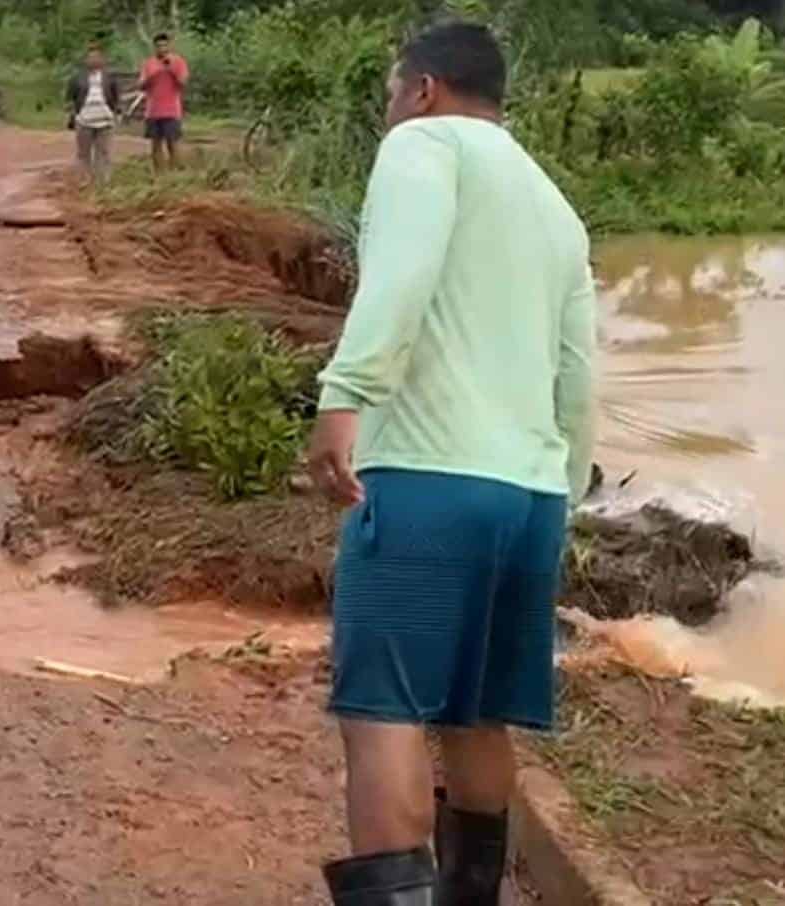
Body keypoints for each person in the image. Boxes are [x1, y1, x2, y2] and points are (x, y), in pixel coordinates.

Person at [309, 22, 595, 906]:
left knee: (383, 710)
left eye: (396, 92)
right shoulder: (554, 203)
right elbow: (578, 372)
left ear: (424, 87)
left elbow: (402, 273)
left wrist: (343, 393)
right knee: (476, 714)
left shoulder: (420, 146)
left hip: (429, 481)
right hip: (530, 497)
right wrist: (564, 484)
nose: (393, 110)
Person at [67, 42, 120, 187]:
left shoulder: (109, 78)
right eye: (90, 57)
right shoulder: (77, 78)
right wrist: (74, 115)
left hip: (105, 119)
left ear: (102, 59)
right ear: (85, 60)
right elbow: (71, 98)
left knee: (104, 153)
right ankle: (84, 180)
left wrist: (115, 114)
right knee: (84, 153)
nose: (93, 60)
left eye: (97, 57)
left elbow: (115, 97)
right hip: (84, 119)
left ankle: (103, 182)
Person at [139, 32, 188, 172]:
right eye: (159, 46)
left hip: (172, 110)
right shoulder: (148, 63)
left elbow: (183, 83)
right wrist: (152, 76)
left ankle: (174, 172)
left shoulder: (178, 62)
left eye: (164, 45)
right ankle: (159, 174)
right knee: (155, 144)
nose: (161, 48)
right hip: (153, 111)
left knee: (173, 143)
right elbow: (141, 85)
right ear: (155, 47)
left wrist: (170, 69)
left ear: (169, 46)